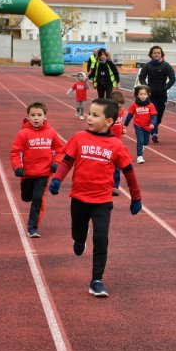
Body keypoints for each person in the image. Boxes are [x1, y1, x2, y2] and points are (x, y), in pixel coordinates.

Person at [48, 98, 143, 298]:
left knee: (101, 239)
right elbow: (66, 161)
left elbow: (129, 172)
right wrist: (57, 179)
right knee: (78, 232)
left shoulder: (115, 145)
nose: (89, 118)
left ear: (108, 121)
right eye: (89, 113)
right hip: (79, 199)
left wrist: (136, 198)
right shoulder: (78, 138)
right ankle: (79, 239)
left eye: (95, 115)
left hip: (102, 202)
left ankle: (97, 280)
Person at [10, 102, 64, 238]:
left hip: (44, 173)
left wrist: (56, 163)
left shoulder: (51, 132)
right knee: (26, 197)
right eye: (32, 115)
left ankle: (33, 227)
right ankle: (26, 193)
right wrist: (17, 167)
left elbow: (60, 149)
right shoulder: (23, 134)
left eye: (39, 115)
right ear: (27, 117)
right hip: (27, 174)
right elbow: (15, 152)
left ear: (45, 117)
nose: (36, 118)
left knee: (38, 198)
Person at [137, 45, 175, 144]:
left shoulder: (166, 65)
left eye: (158, 53)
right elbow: (141, 78)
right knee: (153, 114)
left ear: (161, 54)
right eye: (154, 53)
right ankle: (154, 133)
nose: (156, 54)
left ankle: (153, 129)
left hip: (162, 95)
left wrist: (165, 88)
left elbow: (173, 78)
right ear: (151, 54)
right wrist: (147, 88)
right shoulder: (147, 66)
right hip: (151, 96)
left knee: (159, 116)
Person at [124, 85, 157, 164]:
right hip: (138, 125)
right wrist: (126, 123)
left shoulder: (150, 105)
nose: (143, 96)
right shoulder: (134, 105)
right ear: (137, 95)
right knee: (140, 141)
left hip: (147, 126)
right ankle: (140, 156)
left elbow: (154, 115)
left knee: (145, 142)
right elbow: (130, 115)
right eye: (141, 94)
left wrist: (153, 123)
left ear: (148, 95)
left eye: (144, 94)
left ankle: (142, 146)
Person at [110, 90, 128, 196]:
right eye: (117, 107)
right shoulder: (107, 114)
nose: (120, 109)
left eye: (121, 107)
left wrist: (122, 129)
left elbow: (119, 123)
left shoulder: (121, 112)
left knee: (117, 165)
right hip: (107, 142)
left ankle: (115, 186)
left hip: (117, 143)